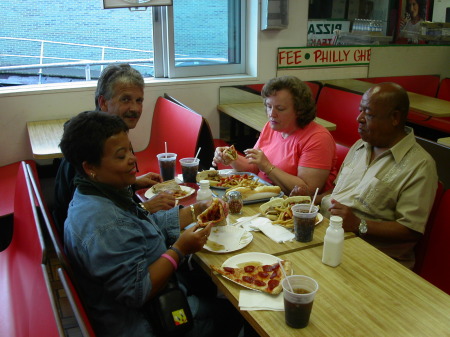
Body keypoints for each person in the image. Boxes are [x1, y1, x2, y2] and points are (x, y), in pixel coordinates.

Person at [60, 111, 242, 337]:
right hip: (149, 323)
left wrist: (196, 211)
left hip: (152, 305)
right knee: (236, 310)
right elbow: (138, 291)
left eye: (129, 149)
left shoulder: (93, 194)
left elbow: (139, 227)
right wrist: (180, 250)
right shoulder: (104, 223)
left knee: (209, 284)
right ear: (90, 168)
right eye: (120, 155)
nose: (132, 159)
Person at [320, 82, 438, 269]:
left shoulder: (420, 165)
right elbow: (336, 191)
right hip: (331, 237)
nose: (359, 118)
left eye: (369, 114)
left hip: (375, 258)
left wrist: (358, 224)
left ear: (395, 118)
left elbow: (410, 230)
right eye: (360, 111)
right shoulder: (360, 146)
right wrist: (309, 199)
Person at [53, 64, 175, 239]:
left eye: (139, 100)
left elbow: (100, 188)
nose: (135, 108)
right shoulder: (91, 147)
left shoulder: (105, 133)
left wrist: (132, 183)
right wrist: (143, 208)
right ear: (103, 102)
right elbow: (92, 219)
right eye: (125, 99)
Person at [213, 76, 337, 196]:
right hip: (263, 193)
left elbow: (307, 191)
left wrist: (268, 167)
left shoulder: (318, 138)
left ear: (300, 110)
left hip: (291, 206)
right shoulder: (271, 126)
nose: (272, 114)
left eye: (280, 108)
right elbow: (254, 166)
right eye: (269, 106)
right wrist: (232, 158)